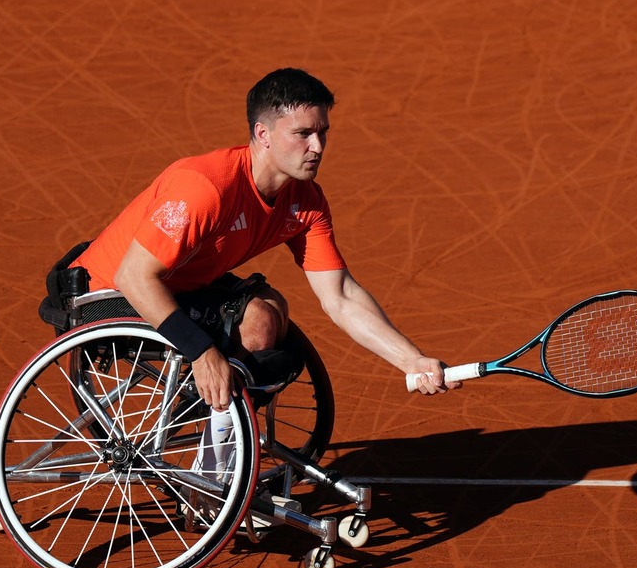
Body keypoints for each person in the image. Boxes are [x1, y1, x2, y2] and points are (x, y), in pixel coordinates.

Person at [68, 68, 455, 412]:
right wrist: (200, 352)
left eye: (323, 133)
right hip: (105, 297)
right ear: (263, 134)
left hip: (178, 286)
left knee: (272, 306)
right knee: (257, 320)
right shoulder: (205, 188)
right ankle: (217, 467)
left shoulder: (306, 203)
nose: (318, 147)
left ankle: (223, 442)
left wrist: (410, 359)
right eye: (303, 134)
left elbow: (341, 297)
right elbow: (134, 277)